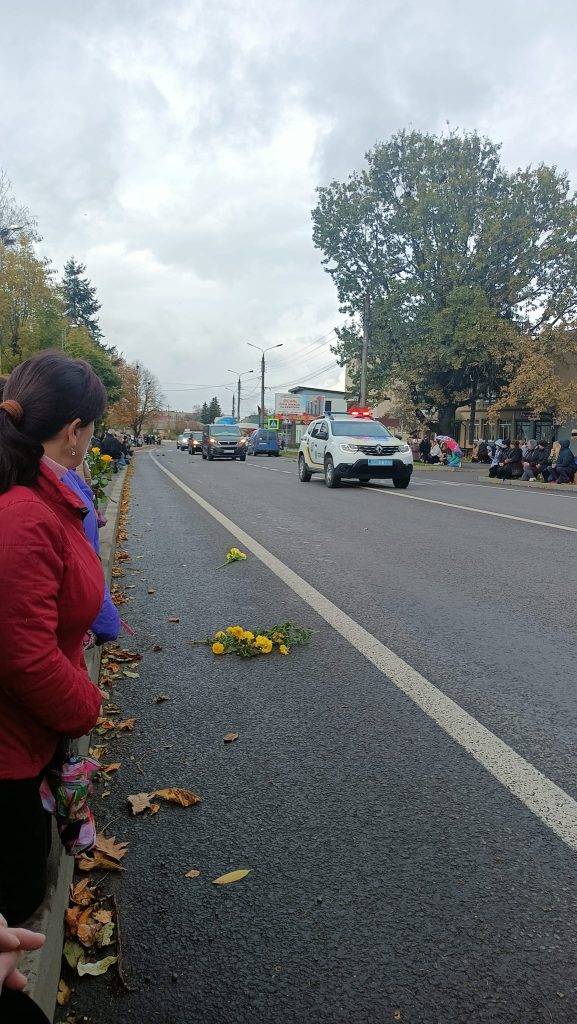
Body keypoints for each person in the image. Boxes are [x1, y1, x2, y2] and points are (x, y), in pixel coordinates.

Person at [0, 351, 105, 925]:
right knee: (15, 906)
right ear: (73, 430)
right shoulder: (25, 514)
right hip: (8, 764)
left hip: (25, 746)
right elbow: (23, 656)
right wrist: (86, 702)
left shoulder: (38, 496)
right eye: (92, 430)